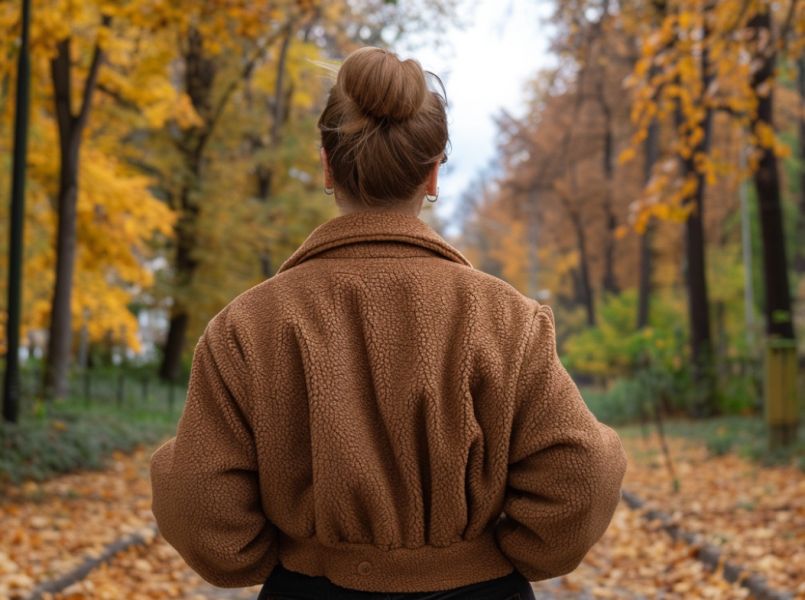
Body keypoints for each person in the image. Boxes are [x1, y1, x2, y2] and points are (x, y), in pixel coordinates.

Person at [149, 46, 628, 600]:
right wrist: (496, 557)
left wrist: (291, 558)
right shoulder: (506, 319)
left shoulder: (246, 326)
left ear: (328, 166)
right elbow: (583, 475)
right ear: (433, 174)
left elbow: (198, 500)